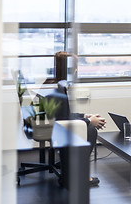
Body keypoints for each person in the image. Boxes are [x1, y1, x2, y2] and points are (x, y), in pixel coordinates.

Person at [45, 52, 106, 187]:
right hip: (54, 127)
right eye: (75, 66)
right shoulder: (59, 90)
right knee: (90, 130)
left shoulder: (56, 83)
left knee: (88, 125)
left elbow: (64, 115)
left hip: (46, 124)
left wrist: (85, 116)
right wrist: (90, 122)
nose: (77, 69)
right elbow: (63, 122)